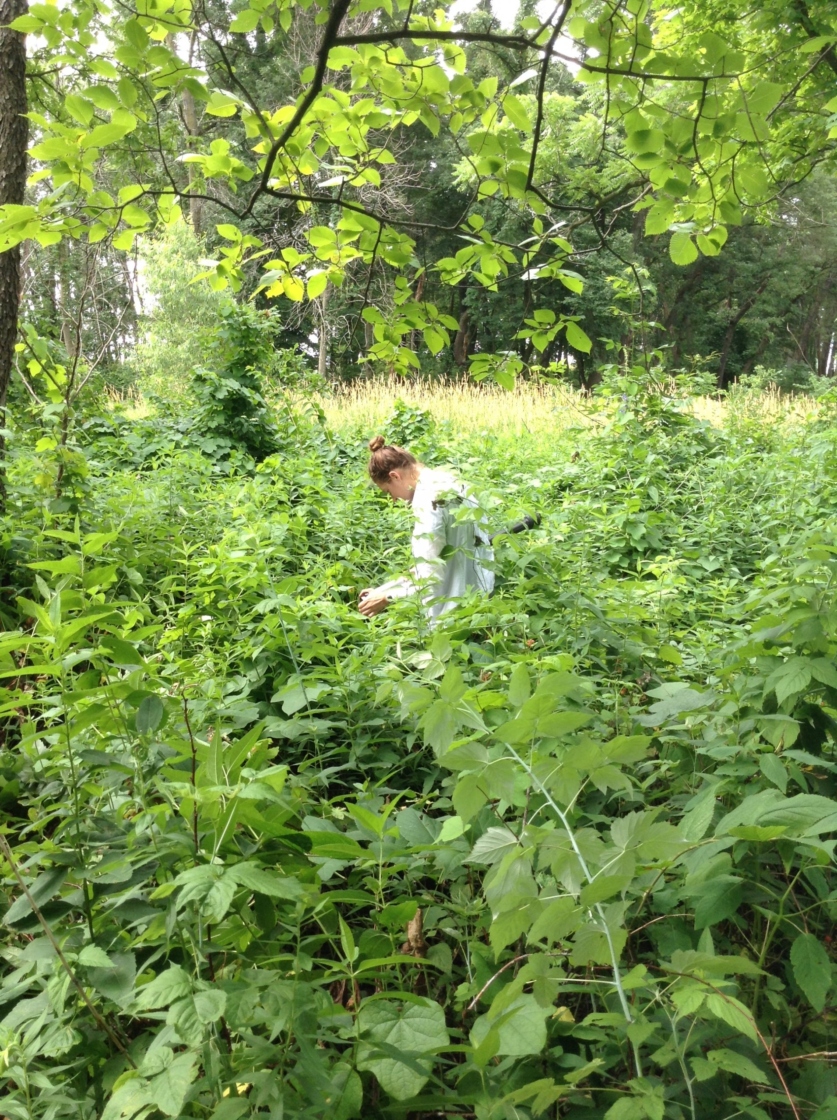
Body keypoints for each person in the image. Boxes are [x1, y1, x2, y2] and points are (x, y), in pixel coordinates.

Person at [358, 436, 494, 625]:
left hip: (451, 618)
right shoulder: (450, 481)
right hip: (481, 603)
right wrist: (386, 588)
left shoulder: (426, 504)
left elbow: (429, 576)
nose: (394, 500)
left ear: (395, 476)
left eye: (389, 492)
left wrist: (385, 598)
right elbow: (443, 556)